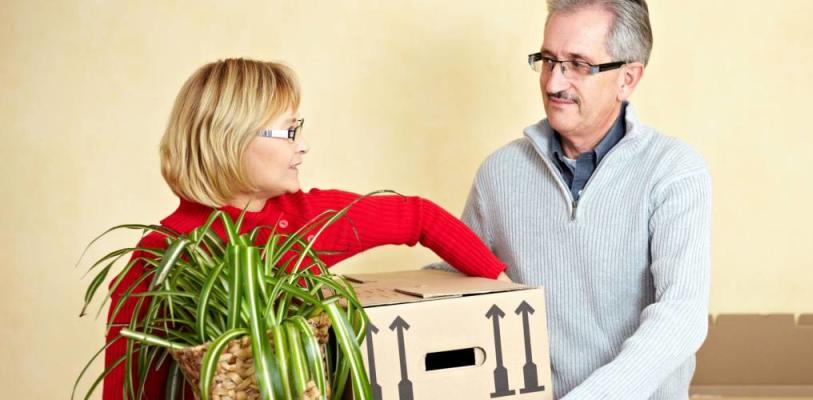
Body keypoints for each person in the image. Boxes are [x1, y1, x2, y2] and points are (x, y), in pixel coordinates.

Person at [103, 58, 508, 399]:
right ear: (231, 138)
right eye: (289, 131)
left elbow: (419, 216)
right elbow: (129, 389)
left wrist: (504, 289)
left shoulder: (304, 218)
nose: (303, 145)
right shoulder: (162, 256)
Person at [444, 1, 712, 398]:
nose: (554, 83)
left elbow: (681, 317)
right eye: (549, 60)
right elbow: (457, 283)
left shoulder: (673, 171)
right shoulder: (499, 173)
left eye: (578, 64)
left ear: (628, 78)